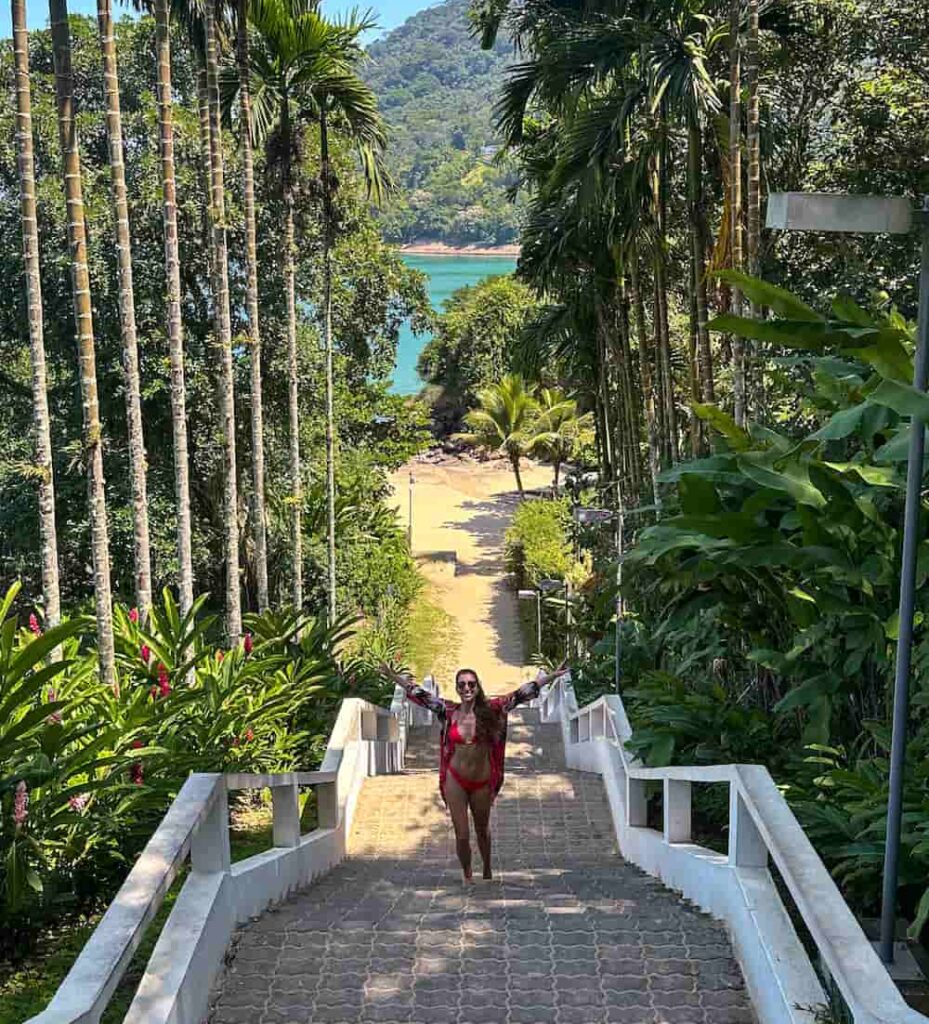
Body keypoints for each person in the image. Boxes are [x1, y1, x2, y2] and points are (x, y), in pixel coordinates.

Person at [380, 662, 569, 881]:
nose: (467, 688)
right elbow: (420, 694)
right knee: (461, 834)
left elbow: (522, 693)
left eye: (471, 684)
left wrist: (552, 677)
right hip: (455, 779)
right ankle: (468, 874)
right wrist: (393, 676)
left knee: (482, 829)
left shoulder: (492, 709)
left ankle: (487, 868)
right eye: (462, 685)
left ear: (477, 687)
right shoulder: (448, 711)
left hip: (482, 779)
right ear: (457, 689)